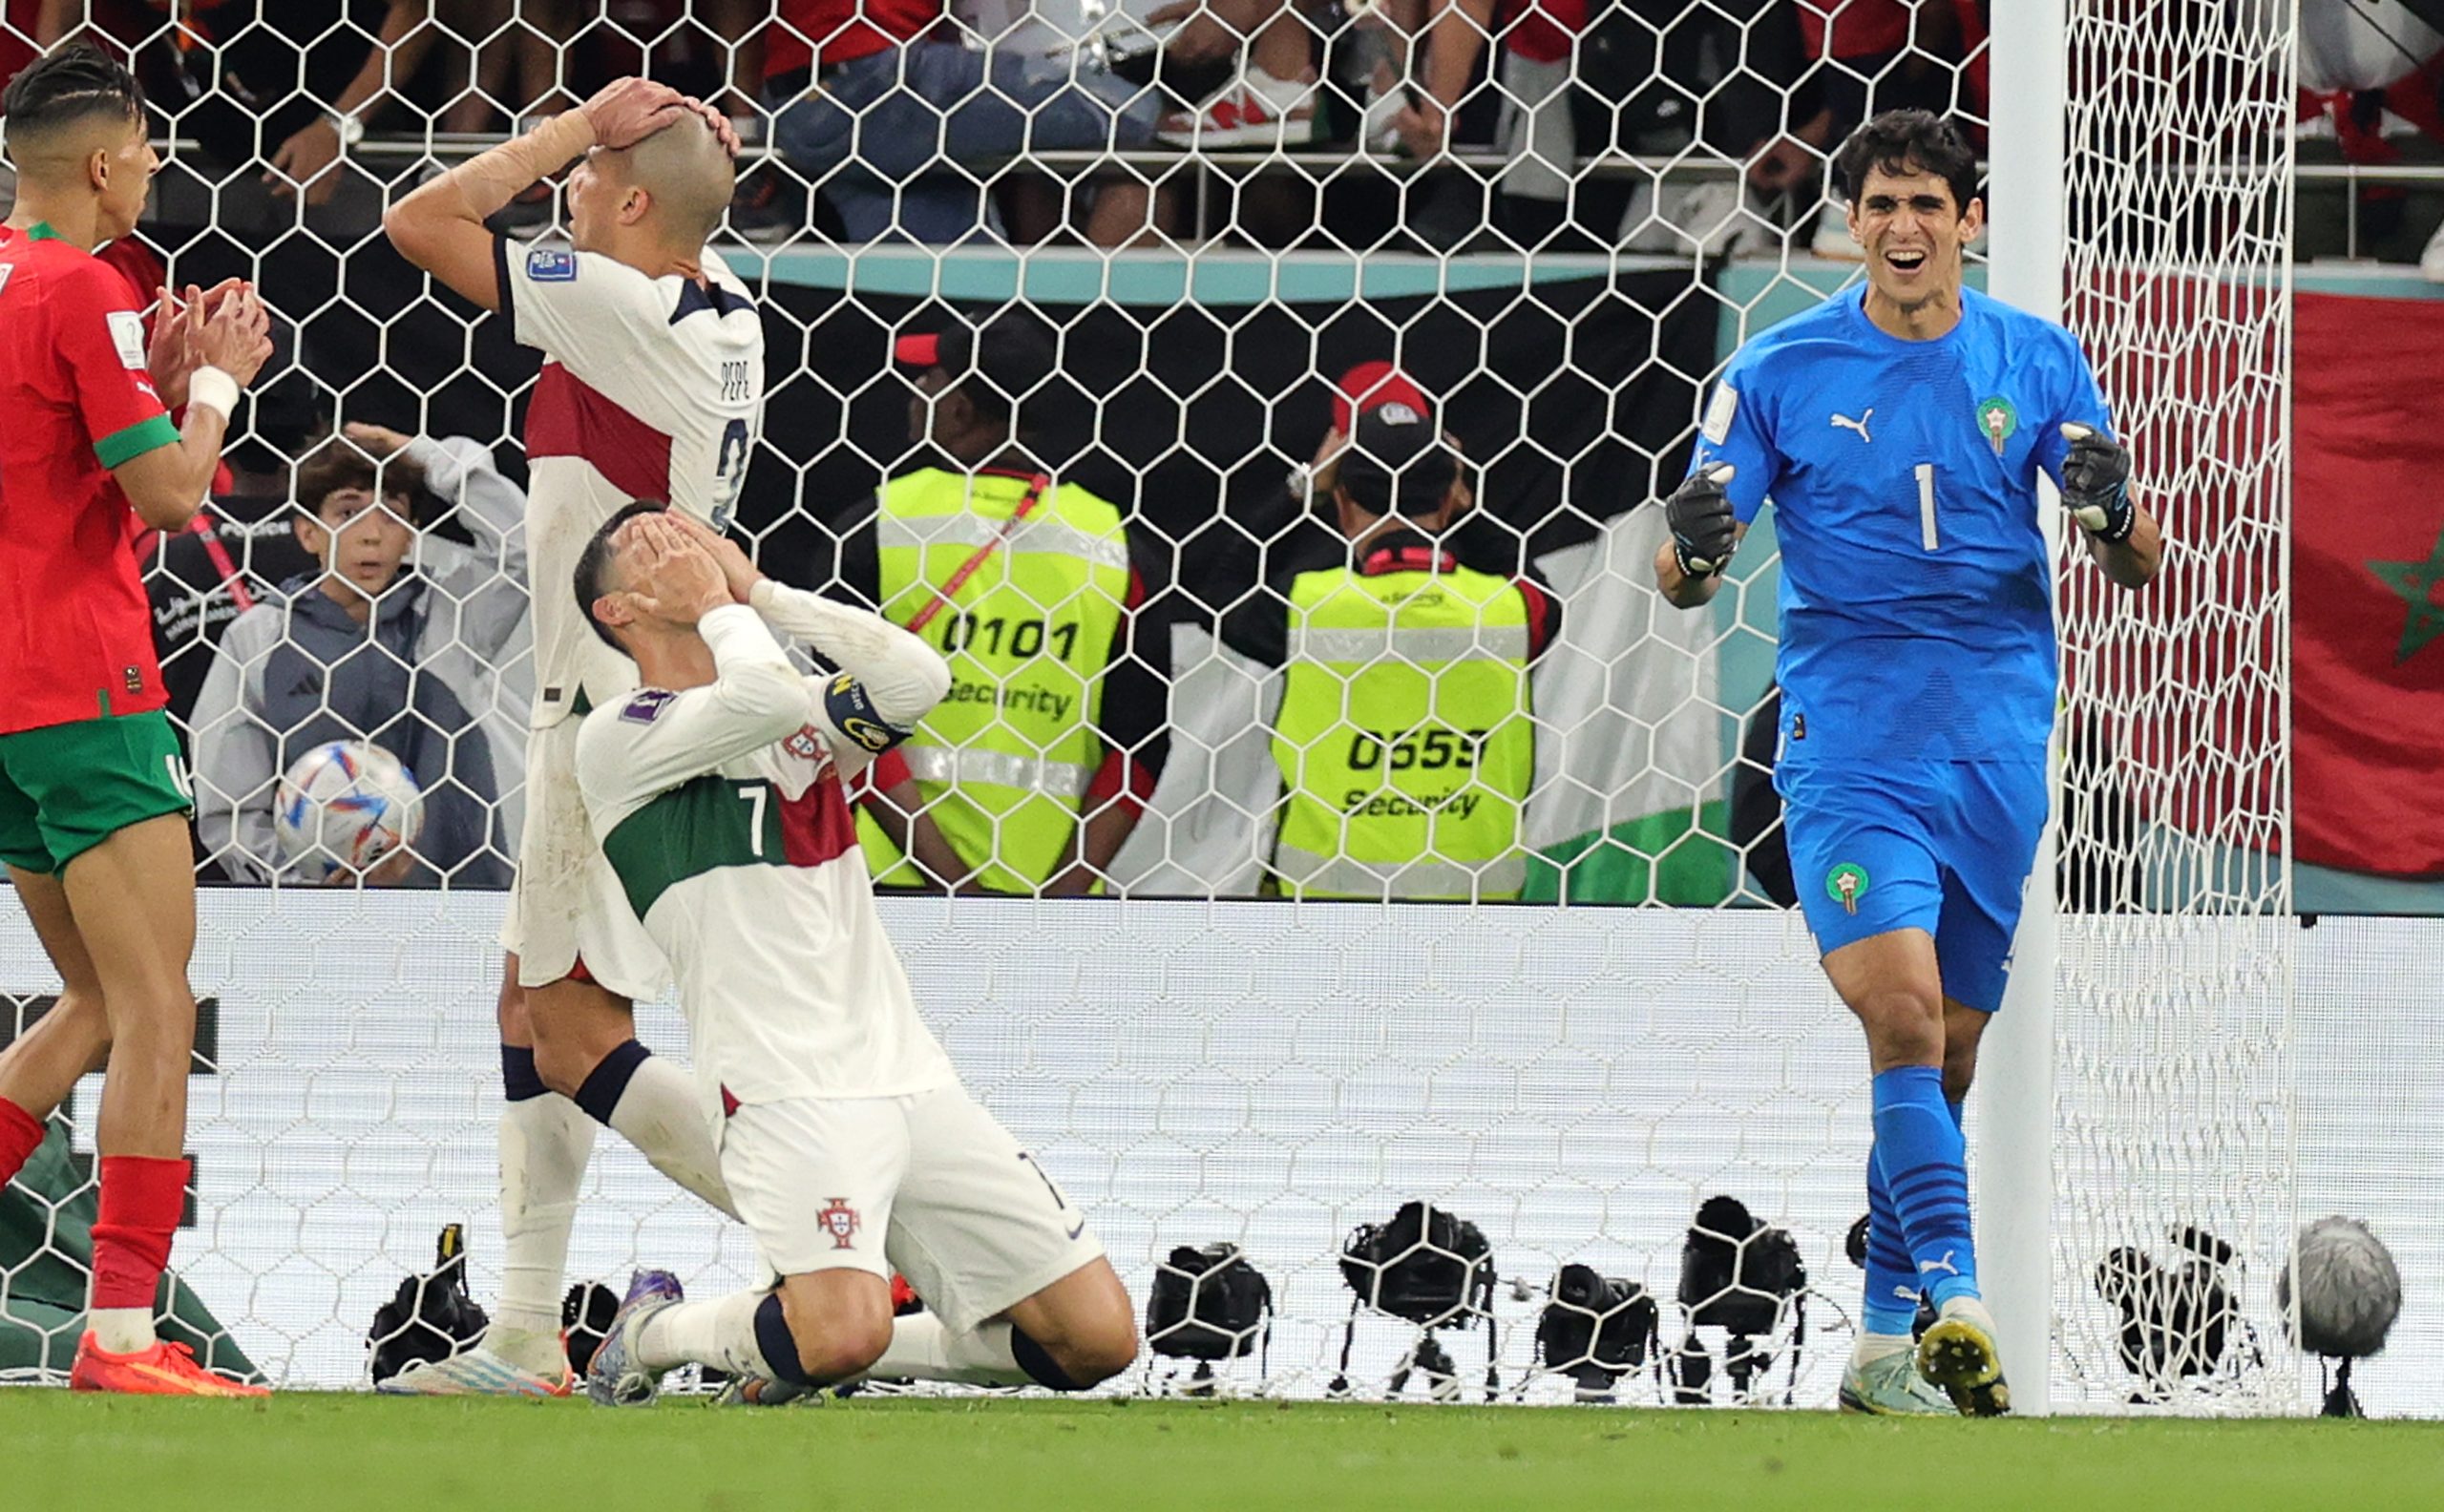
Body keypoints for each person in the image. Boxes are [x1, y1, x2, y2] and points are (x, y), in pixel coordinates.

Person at [1653, 110, 2164, 1417]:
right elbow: (1685, 573)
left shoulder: (2037, 357)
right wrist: (1695, 544)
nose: (1903, 228)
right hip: (1848, 745)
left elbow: (2131, 559)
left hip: (1995, 740)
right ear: (1852, 223)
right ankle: (1958, 1292)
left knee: (1949, 1056)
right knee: (1899, 1014)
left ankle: (1883, 1348)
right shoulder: (1777, 369)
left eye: (1928, 205)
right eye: (1881, 204)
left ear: (1969, 222)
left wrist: (2110, 513)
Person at [569, 506, 1137, 1406]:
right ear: (618, 613)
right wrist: (723, 609)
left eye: (693, 540)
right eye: (652, 550)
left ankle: (781, 1351)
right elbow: (753, 697)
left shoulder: (797, 726)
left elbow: (916, 678)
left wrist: (757, 590)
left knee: (1097, 1341)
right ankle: (653, 1332)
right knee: (840, 1333)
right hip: (782, 1085)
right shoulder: (618, 736)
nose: (685, 555)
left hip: (910, 1075)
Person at [379, 77, 764, 1396]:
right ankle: (528, 1335)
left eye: (588, 182)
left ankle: (836, 1250)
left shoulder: (625, 304)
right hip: (645, 697)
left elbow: (419, 218)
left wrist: (558, 124)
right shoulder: (716, 310)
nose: (563, 194)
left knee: (568, 1027)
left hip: (613, 709)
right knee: (538, 1005)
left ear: (638, 200)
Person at [0, 44, 272, 1396]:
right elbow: (167, 499)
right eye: (150, 151)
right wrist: (212, 384)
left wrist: (144, 392)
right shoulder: (84, 285)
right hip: (84, 690)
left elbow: (54, 465)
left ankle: (118, 1329)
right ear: (103, 166)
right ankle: (119, 1337)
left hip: (3, 705)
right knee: (160, 999)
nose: (158, 170)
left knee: (98, 1000)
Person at [838, 315, 1167, 896]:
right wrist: (1060, 898)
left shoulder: (879, 525)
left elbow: (848, 723)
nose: (917, 395)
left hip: (891, 881)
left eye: (930, 379)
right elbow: (1138, 752)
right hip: (1050, 894)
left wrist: (956, 890)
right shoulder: (1115, 541)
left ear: (961, 409)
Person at [1223, 374, 1556, 900]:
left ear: (1344, 503)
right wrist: (1464, 500)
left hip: (1321, 927)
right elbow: (1529, 579)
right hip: (1478, 926)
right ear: (1450, 502)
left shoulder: (1306, 609)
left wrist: (1303, 486)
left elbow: (1211, 585)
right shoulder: (1511, 612)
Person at [188, 425, 528, 889]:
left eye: (391, 515)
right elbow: (228, 807)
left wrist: (429, 456)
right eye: (348, 512)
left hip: (456, 907)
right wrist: (300, 889)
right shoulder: (259, 638)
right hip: (309, 918)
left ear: (410, 537)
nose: (371, 535)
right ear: (308, 533)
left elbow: (526, 549)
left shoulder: (454, 619)